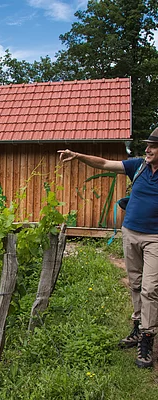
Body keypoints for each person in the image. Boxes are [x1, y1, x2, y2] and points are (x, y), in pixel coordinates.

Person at [58, 127, 158, 369]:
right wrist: (79, 155)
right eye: (147, 145)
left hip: (155, 238)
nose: (147, 149)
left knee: (151, 288)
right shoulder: (138, 166)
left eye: (153, 146)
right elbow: (104, 163)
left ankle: (147, 338)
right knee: (135, 283)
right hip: (130, 232)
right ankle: (137, 326)